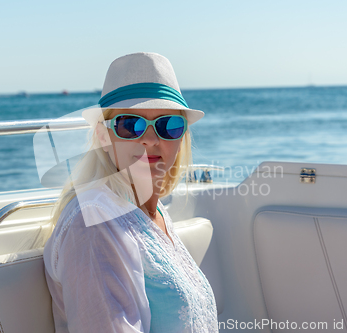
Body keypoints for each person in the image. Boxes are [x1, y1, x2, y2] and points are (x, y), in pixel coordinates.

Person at [43, 52, 218, 333]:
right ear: (103, 136)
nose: (150, 139)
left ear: (181, 136)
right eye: (130, 124)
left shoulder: (153, 210)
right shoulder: (94, 224)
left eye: (167, 125)